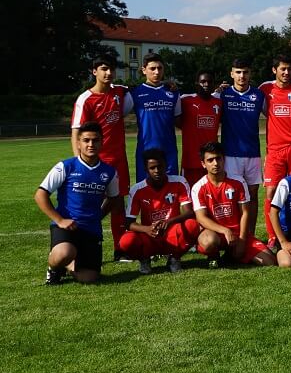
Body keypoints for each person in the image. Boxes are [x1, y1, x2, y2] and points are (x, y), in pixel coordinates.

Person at [36, 121, 122, 284]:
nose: (91, 144)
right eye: (86, 140)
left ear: (102, 142)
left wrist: (98, 216)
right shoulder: (66, 166)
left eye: (95, 140)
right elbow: (40, 195)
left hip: (91, 230)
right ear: (78, 143)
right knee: (63, 252)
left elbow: (113, 199)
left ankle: (69, 265)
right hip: (66, 227)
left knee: (89, 278)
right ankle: (54, 269)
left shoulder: (109, 172)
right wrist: (60, 220)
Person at [71, 55, 133, 258]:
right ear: (94, 71)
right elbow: (76, 132)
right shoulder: (85, 99)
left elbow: (137, 93)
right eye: (104, 69)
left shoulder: (120, 93)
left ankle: (120, 248)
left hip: (118, 160)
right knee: (89, 204)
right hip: (95, 162)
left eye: (112, 69)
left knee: (118, 204)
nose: (108, 73)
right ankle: (80, 245)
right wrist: (79, 164)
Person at [191, 142, 276, 267]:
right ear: (203, 164)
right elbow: (201, 217)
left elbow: (245, 212)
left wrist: (242, 239)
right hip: (215, 233)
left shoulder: (238, 181)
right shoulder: (198, 187)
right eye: (210, 160)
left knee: (270, 262)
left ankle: (230, 255)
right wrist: (224, 230)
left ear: (223, 159)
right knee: (209, 242)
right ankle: (213, 255)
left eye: (218, 158)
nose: (215, 163)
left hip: (237, 233)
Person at [120, 149, 200, 274]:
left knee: (192, 225)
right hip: (150, 236)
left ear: (166, 165)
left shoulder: (179, 182)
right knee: (126, 241)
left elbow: (189, 212)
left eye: (160, 166)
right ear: (146, 169)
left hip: (171, 234)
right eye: (152, 168)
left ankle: (175, 257)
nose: (157, 171)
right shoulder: (137, 189)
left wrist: (169, 221)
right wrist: (147, 229)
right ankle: (144, 259)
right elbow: (129, 222)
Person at [218, 57, 267, 240]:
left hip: (253, 153)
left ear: (250, 74)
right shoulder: (223, 95)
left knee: (252, 195)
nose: (242, 76)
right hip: (230, 154)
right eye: (238, 72)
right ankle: (232, 235)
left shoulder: (258, 95)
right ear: (231, 74)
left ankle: (250, 235)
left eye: (245, 72)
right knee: (231, 195)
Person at [259, 55, 291, 243]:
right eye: (283, 69)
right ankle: (272, 236)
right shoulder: (265, 88)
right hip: (275, 150)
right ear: (274, 70)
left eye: (289, 69)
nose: (286, 73)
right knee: (271, 192)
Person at [130, 53, 180, 181]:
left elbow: (179, 120)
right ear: (143, 70)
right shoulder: (134, 93)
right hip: (145, 150)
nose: (156, 72)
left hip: (169, 151)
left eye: (160, 68)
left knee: (170, 191)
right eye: (152, 68)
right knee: (145, 191)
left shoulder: (173, 92)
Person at [175, 70, 221, 187]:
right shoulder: (185, 100)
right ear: (196, 83)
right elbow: (176, 120)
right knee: (189, 197)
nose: (206, 84)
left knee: (212, 196)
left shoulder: (219, 102)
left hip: (211, 161)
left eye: (209, 82)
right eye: (203, 81)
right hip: (190, 161)